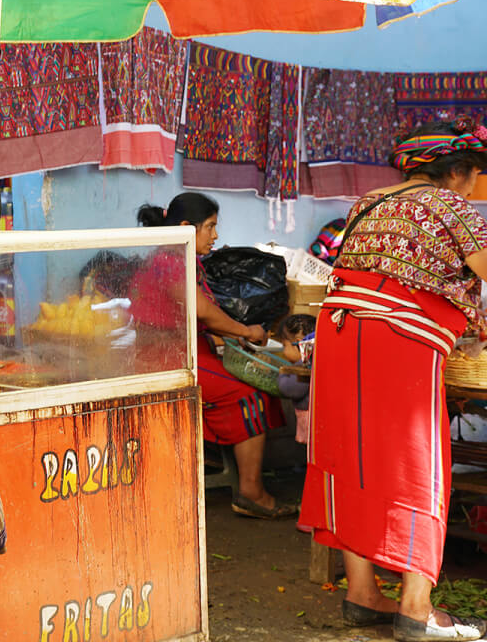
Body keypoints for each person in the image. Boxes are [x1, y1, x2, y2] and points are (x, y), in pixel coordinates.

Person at [301, 122, 487, 641]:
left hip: (340, 331)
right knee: (414, 461)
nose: (473, 188)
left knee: (351, 457)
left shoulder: (369, 201)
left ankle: (361, 594)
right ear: (453, 172)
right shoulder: (447, 204)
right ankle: (416, 608)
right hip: (397, 337)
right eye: (473, 176)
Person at [132, 192, 293, 519]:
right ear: (185, 227)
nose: (215, 235)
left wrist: (231, 337)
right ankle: (250, 492)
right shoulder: (169, 261)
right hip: (164, 359)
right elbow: (202, 311)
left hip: (185, 351)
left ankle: (215, 455)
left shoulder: (182, 258)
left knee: (254, 385)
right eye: (209, 227)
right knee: (249, 393)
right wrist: (246, 333)